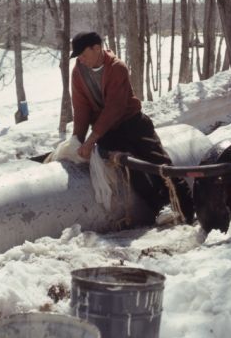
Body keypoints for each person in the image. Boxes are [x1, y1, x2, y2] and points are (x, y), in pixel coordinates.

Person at [70, 31, 194, 224]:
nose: (81, 59)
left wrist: (92, 138)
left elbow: (114, 108)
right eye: (78, 56)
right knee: (131, 168)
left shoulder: (117, 68)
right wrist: (77, 141)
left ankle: (188, 209)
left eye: (83, 54)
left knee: (158, 162)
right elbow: (81, 108)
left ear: (97, 48)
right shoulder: (78, 73)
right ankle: (161, 206)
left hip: (131, 122)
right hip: (108, 132)